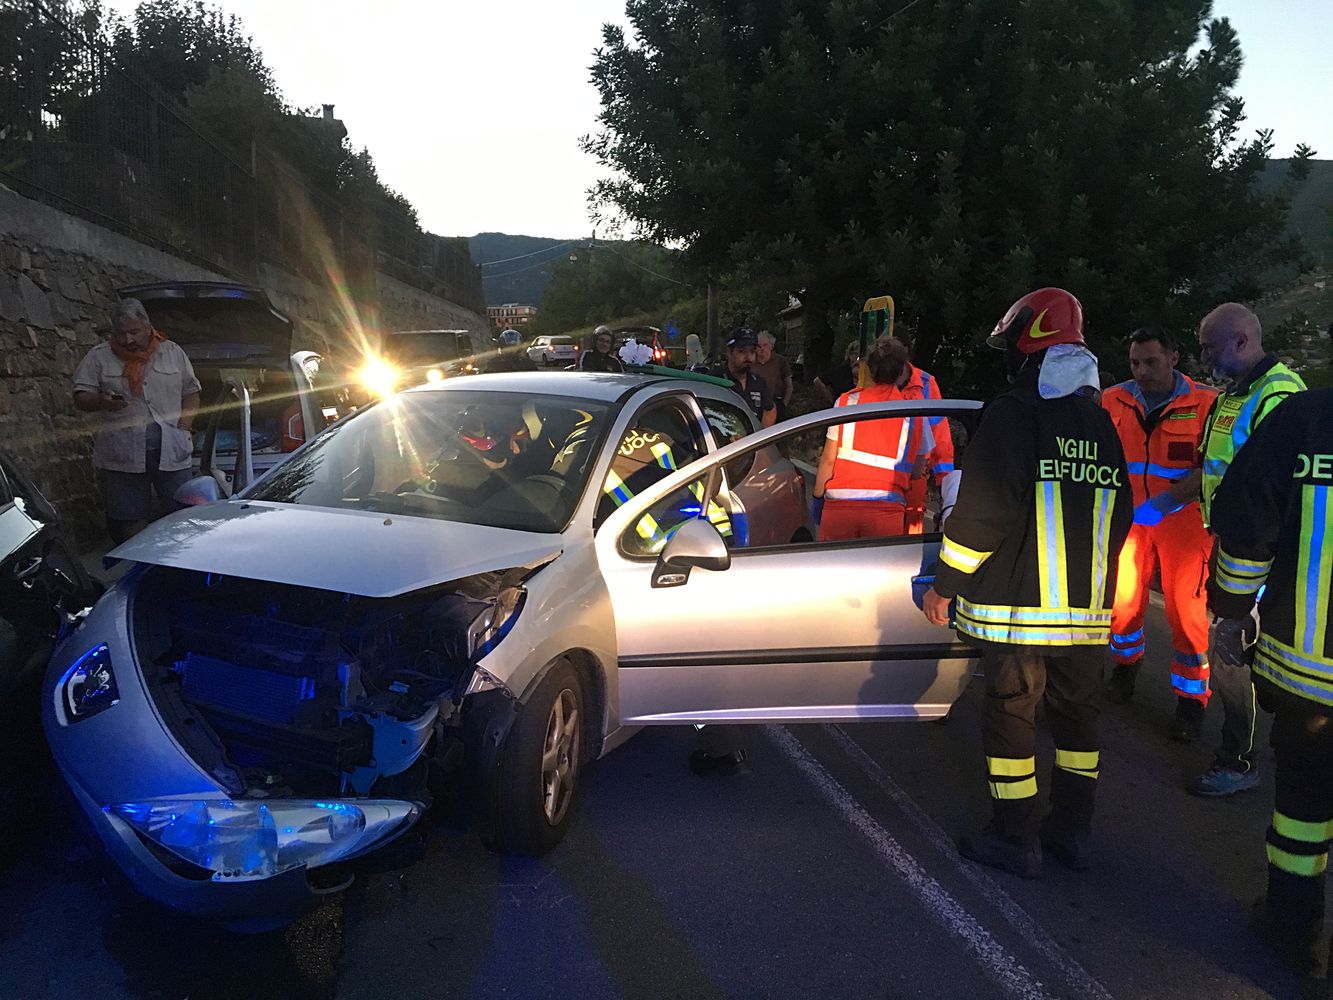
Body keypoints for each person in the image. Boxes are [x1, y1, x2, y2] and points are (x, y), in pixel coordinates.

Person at [921, 287, 1132, 877]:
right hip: (1087, 617)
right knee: (1078, 724)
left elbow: (981, 514)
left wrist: (945, 585)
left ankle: (1015, 838)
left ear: (1028, 346)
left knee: (1012, 715)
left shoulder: (1013, 414)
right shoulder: (1102, 426)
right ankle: (1072, 833)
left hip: (1018, 612)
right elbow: (1120, 516)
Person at [1206, 389, 1333, 984]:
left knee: (1303, 812)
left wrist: (1231, 610)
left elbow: (1247, 523)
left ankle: (1292, 932)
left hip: (1313, 678)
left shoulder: (1305, 419)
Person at [1190, 302, 1307, 797]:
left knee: (1234, 652)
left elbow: (1280, 489)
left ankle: (1238, 761)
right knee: (1235, 652)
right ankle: (1270, 749)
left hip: (1264, 556)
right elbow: (1212, 469)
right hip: (1232, 548)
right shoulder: (1233, 396)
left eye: (1209, 346)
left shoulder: (1279, 396)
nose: (1203, 357)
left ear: (1240, 341)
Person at [1101, 328, 1217, 742]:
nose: (1141, 371)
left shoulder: (1206, 403)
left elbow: (1214, 467)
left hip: (1182, 519)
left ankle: (1191, 702)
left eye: (1150, 361)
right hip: (1128, 517)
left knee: (1186, 611)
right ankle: (1125, 668)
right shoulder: (1112, 400)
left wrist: (1165, 504)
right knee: (1122, 600)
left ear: (1173, 357)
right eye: (1135, 362)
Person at [72, 298, 201, 543]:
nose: (128, 340)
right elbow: (80, 397)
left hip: (172, 451)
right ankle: (139, 568)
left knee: (183, 514)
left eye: (134, 332)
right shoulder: (99, 357)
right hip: (122, 455)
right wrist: (100, 401)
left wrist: (184, 428)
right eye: (121, 334)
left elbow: (191, 393)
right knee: (131, 519)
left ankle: (180, 569)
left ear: (147, 326)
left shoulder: (172, 352)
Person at [812, 336, 931, 540]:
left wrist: (817, 498)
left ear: (869, 368)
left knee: (834, 570)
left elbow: (828, 460)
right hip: (886, 512)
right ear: (902, 371)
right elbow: (918, 470)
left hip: (840, 507)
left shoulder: (845, 403)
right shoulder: (914, 414)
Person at [895, 346, 955, 534]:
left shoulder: (925, 383)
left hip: (916, 471)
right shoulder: (876, 381)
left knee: (911, 529)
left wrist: (945, 481)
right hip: (886, 475)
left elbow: (939, 433)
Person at [713, 329, 776, 427]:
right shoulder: (715, 380)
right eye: (741, 351)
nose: (748, 357)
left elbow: (770, 409)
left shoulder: (758, 382)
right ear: (730, 352)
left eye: (752, 351)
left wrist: (761, 434)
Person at [752, 331, 793, 420]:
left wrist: (784, 404)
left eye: (765, 345)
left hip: (776, 403)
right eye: (759, 346)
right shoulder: (751, 362)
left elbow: (789, 385)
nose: (762, 348)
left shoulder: (780, 361)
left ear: (771, 346)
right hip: (755, 403)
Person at [814, 342, 860, 406]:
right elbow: (817, 381)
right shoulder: (840, 371)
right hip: (843, 406)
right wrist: (832, 400)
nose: (858, 357)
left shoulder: (866, 370)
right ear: (850, 355)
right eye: (856, 354)